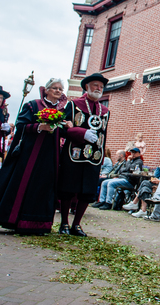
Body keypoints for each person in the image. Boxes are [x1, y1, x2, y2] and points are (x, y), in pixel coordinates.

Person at [0, 79, 70, 234]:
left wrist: (67, 126)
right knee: (25, 184)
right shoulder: (33, 105)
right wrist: (39, 126)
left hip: (50, 155)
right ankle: (17, 221)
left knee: (44, 186)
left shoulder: (61, 110)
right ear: (47, 90)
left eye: (61, 89)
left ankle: (39, 225)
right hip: (30, 154)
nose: (58, 91)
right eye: (55, 88)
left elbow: (61, 132)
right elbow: (21, 125)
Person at [57, 73, 110, 237]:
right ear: (87, 87)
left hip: (94, 157)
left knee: (87, 192)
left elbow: (104, 134)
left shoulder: (105, 110)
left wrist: (101, 156)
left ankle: (77, 224)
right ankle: (64, 222)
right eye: (95, 85)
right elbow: (61, 128)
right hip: (74, 153)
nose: (98, 89)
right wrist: (81, 133)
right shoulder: (73, 105)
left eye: (101, 86)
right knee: (68, 188)